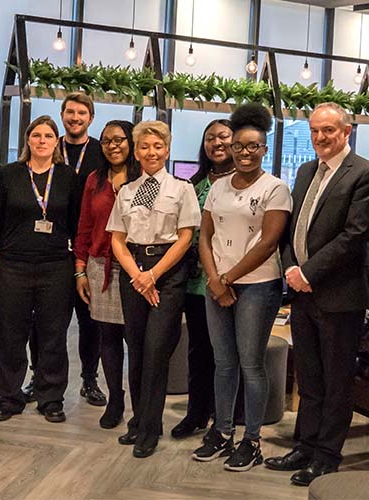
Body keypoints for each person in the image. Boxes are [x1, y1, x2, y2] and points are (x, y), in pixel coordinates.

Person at [266, 102, 369, 486]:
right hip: (302, 293)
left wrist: (308, 273)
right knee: (310, 377)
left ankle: (327, 456)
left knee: (336, 380)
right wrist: (290, 268)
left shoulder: (366, 174)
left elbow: (355, 235)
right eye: (315, 130)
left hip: (339, 295)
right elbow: (291, 228)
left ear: (346, 131)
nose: (320, 137)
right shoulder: (304, 171)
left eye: (329, 131)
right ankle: (304, 445)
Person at [192, 104, 291, 471]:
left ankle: (252, 440)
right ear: (231, 148)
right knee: (223, 363)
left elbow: (268, 243)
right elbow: (205, 235)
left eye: (254, 146)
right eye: (239, 146)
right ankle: (222, 431)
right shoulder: (217, 186)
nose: (245, 152)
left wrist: (227, 279)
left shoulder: (275, 188)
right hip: (217, 285)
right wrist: (214, 280)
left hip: (257, 286)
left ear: (264, 149)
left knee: (251, 364)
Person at [106, 120, 201, 458]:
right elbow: (117, 238)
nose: (151, 152)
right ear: (137, 151)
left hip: (168, 273)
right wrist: (137, 275)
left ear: (168, 149)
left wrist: (154, 274)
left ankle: (150, 427)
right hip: (133, 271)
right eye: (144, 146)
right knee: (136, 349)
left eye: (158, 146)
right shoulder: (127, 191)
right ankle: (138, 420)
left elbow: (187, 236)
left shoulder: (182, 189)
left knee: (156, 350)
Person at [0, 115, 77, 423]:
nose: (42, 141)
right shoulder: (9, 174)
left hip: (55, 266)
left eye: (49, 136)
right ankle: (9, 398)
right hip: (12, 265)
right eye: (37, 135)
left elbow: (76, 220)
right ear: (28, 140)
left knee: (53, 334)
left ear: (56, 142)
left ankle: (50, 398)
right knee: (11, 334)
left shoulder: (67, 176)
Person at [171, 118, 236, 440]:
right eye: (210, 138)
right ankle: (196, 413)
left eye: (223, 136)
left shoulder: (243, 182)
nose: (217, 143)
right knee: (199, 350)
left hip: (229, 281)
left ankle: (224, 417)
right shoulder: (193, 183)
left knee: (226, 352)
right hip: (195, 283)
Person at [74, 119, 140, 428]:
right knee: (108, 339)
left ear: (131, 141)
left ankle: (141, 407)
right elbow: (85, 226)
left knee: (137, 340)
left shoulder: (144, 178)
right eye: (107, 141)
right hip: (100, 267)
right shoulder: (94, 180)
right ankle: (115, 399)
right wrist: (80, 268)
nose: (113, 145)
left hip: (137, 269)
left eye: (119, 139)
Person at [59, 92, 108, 406]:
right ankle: (41, 378)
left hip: (87, 249)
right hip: (51, 249)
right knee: (48, 321)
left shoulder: (100, 155)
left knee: (91, 320)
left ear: (91, 118)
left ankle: (89, 379)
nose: (75, 118)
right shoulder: (50, 148)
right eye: (70, 112)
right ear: (62, 114)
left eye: (81, 113)